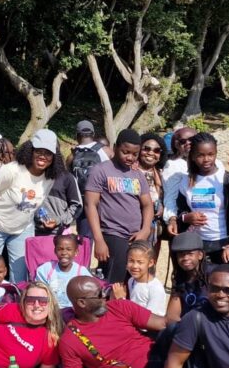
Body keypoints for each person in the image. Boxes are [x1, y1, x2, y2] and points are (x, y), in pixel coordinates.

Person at [14, 276, 201, 368]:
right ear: (81, 303)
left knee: (179, 329)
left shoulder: (119, 307)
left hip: (157, 355)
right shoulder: (72, 340)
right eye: (100, 295)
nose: (105, 297)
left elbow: (164, 324)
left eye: (104, 291)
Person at [0, 129, 60, 289]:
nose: (43, 156)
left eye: (48, 153)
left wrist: (44, 217)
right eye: (39, 151)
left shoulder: (50, 178)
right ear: (30, 150)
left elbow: (35, 203)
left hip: (22, 229)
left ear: (54, 157)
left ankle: (14, 311)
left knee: (21, 278)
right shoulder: (11, 170)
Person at [85, 129, 153, 283]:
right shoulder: (101, 170)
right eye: (125, 152)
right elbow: (90, 205)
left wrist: (145, 229)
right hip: (112, 235)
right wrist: (99, 240)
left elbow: (148, 205)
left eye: (135, 154)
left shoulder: (137, 175)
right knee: (114, 284)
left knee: (139, 281)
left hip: (137, 236)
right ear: (115, 147)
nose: (130, 157)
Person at [166, 132, 229, 264]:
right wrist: (187, 218)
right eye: (200, 155)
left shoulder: (225, 179)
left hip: (225, 243)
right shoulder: (186, 181)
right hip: (198, 244)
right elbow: (181, 210)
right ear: (193, 156)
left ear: (216, 153)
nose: (206, 159)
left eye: (210, 154)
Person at [68, 120, 111, 238]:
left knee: (85, 239)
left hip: (83, 202)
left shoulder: (73, 155)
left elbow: (68, 176)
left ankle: (85, 256)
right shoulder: (106, 150)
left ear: (77, 135)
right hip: (104, 201)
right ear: (93, 134)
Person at [164, 230, 209, 324]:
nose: (185, 258)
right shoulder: (179, 277)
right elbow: (172, 316)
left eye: (190, 253)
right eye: (181, 254)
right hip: (188, 327)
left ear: (200, 255)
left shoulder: (213, 274)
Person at [35, 233, 90, 309]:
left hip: (75, 311)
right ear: (55, 251)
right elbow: (38, 292)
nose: (64, 253)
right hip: (51, 309)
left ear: (76, 252)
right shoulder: (45, 269)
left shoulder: (82, 272)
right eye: (60, 249)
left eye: (69, 249)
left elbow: (89, 295)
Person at [113, 240, 166, 316]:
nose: (134, 266)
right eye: (131, 261)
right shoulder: (131, 281)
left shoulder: (155, 288)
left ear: (150, 263)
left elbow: (149, 319)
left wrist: (121, 300)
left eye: (140, 262)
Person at [137, 132, 167, 255]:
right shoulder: (130, 172)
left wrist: (162, 206)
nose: (151, 153)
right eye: (146, 149)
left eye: (156, 150)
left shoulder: (160, 174)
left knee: (150, 264)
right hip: (135, 225)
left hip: (154, 228)